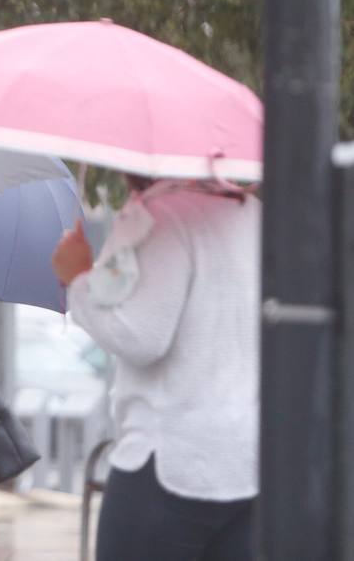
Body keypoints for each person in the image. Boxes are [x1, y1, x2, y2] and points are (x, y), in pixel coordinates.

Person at [51, 178, 259, 561]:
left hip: (169, 461)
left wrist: (76, 279)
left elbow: (140, 336)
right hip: (245, 466)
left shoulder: (162, 215)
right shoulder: (254, 215)